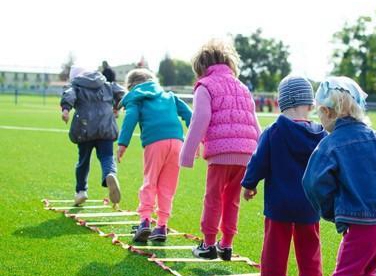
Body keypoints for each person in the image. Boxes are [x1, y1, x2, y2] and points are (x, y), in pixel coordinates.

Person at [302, 76, 376, 276]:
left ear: (326, 111)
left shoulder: (330, 145)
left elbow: (313, 183)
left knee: (347, 272)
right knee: (367, 269)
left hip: (365, 225)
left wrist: (332, 211)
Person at [180, 38, 261, 260]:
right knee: (232, 200)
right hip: (246, 154)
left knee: (213, 198)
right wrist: (260, 158)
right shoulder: (243, 87)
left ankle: (208, 245)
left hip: (220, 153)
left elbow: (200, 118)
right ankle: (226, 245)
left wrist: (187, 154)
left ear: (201, 67)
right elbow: (255, 123)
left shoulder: (205, 86)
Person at [241, 76, 327, 276]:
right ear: (310, 103)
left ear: (280, 103)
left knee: (274, 251)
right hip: (310, 204)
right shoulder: (322, 136)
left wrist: (249, 184)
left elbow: (258, 161)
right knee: (310, 252)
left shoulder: (273, 132)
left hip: (279, 204)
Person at [117, 68, 192, 243]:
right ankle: (161, 226)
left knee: (150, 181)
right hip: (177, 143)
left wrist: (122, 143)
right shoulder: (169, 96)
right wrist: (197, 140)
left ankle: (144, 221)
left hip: (155, 142)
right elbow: (190, 115)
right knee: (168, 186)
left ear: (131, 86)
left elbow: (130, 118)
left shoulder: (137, 98)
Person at [60, 65, 125, 206]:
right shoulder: (106, 84)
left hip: (85, 129)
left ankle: (81, 191)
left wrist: (65, 110)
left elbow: (69, 94)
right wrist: (117, 106)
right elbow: (121, 92)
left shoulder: (76, 86)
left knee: (83, 161)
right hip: (106, 128)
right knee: (107, 157)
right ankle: (110, 174)